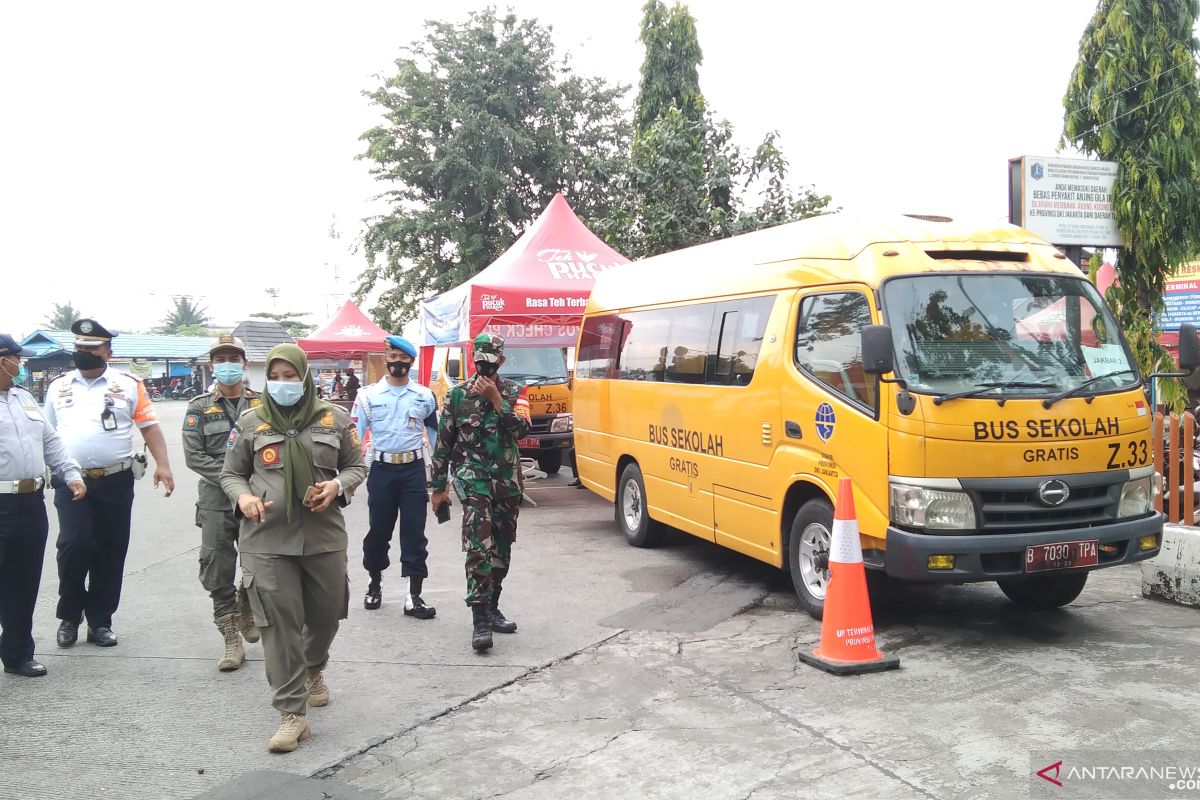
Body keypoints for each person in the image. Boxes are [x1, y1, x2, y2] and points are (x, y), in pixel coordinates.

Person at [220, 344, 365, 753]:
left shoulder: (333, 418)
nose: (283, 384)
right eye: (276, 376)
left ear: (305, 377)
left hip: (323, 537)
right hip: (266, 541)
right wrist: (244, 498)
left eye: (290, 376)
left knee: (326, 616)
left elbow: (357, 465)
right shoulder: (252, 422)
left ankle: (313, 667)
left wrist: (337, 486)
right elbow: (231, 474)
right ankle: (291, 714)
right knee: (278, 626)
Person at [44, 319, 174, 649]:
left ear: (107, 352)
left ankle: (100, 620)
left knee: (111, 550)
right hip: (70, 480)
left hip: (115, 479)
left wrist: (164, 465)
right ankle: (70, 616)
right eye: (80, 348)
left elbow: (150, 427)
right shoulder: (58, 387)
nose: (84, 353)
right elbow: (45, 434)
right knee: (74, 545)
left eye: (92, 348)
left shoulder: (129, 384)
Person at [430, 333, 530, 652]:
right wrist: (437, 488)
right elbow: (443, 446)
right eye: (480, 357)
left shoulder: (516, 391)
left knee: (502, 546)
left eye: (491, 358)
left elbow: (523, 430)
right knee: (477, 544)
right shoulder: (457, 396)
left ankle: (492, 605)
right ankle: (480, 620)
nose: (485, 364)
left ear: (501, 360)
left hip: (506, 482)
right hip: (473, 481)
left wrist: (497, 401)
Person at [0, 334, 86, 678]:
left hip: (30, 502)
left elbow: (50, 440)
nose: (21, 365)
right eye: (17, 359)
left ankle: (18, 654)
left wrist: (70, 472)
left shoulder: (24, 398)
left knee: (23, 581)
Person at [182, 334, 263, 671]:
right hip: (216, 500)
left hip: (258, 497)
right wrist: (234, 482)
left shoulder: (263, 404)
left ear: (244, 363)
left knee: (260, 561)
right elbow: (194, 456)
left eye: (233, 358)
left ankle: (246, 603)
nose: (227, 364)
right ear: (212, 365)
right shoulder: (198, 407)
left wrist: (251, 484)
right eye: (220, 359)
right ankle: (231, 640)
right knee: (218, 566)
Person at [353, 336, 438, 616]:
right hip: (382, 470)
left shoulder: (424, 395)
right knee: (378, 532)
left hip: (413, 470)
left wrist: (439, 472)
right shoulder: (368, 395)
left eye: (403, 359)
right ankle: (374, 584)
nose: (397, 363)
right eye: (392, 357)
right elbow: (355, 436)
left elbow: (435, 435)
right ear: (385, 359)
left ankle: (414, 597)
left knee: (414, 533)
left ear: (411, 362)